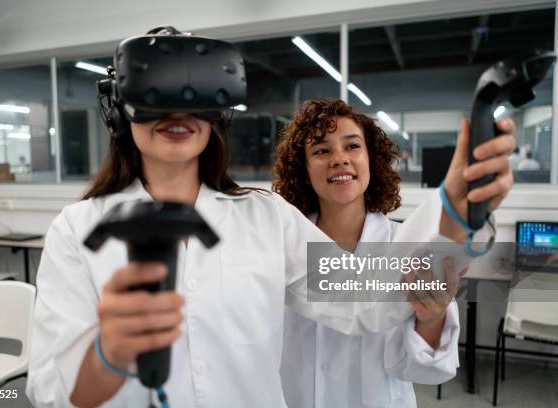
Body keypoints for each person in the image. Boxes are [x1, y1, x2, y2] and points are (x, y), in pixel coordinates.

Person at [26, 30, 515, 408]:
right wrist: (108, 355)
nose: (176, 110)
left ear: (218, 112)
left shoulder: (266, 218)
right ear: (119, 111)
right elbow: (49, 389)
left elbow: (367, 296)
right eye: (154, 93)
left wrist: (452, 210)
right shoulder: (77, 231)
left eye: (194, 94)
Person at [273, 99, 512, 407]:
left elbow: (428, 371)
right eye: (321, 150)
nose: (339, 159)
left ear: (371, 159)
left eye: (352, 146)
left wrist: (432, 318)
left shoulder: (404, 242)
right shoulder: (283, 245)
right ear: (303, 170)